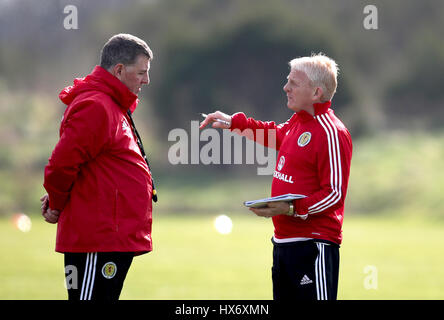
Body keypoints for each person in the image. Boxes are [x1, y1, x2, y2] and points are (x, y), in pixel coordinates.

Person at [200, 53, 352, 300]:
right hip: (283, 245)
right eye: (287, 80)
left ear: (316, 93)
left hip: (313, 247)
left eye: (294, 83)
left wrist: (291, 208)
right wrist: (233, 123)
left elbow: (334, 194)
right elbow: (274, 134)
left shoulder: (332, 132)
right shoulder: (298, 122)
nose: (286, 87)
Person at [40, 33, 157, 300]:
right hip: (97, 240)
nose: (146, 80)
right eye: (141, 73)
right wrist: (57, 202)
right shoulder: (97, 106)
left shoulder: (110, 104)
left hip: (107, 240)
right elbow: (60, 165)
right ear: (118, 70)